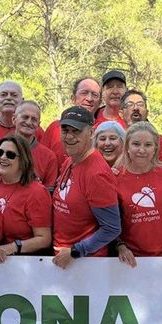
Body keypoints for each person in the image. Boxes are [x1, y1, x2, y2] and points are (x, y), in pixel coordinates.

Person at [52, 106, 121, 268]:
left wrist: (76, 251)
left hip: (85, 263)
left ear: (91, 133)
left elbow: (112, 228)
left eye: (76, 131)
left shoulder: (97, 174)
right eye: (65, 130)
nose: (69, 136)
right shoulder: (71, 159)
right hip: (62, 256)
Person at [115, 122, 162, 266]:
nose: (141, 150)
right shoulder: (114, 178)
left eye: (148, 145)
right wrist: (119, 246)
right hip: (131, 259)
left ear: (155, 149)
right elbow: (109, 222)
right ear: (127, 147)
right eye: (136, 144)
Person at [0, 135, 53, 259]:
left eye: (10, 155)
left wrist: (13, 247)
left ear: (23, 160)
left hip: (24, 263)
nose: (2, 158)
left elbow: (44, 239)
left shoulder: (36, 192)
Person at [42, 76, 101, 161]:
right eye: (84, 93)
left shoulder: (104, 131)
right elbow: (42, 159)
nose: (89, 98)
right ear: (73, 98)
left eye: (95, 95)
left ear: (99, 102)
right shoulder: (55, 127)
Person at [14, 100, 59, 191]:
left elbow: (48, 194)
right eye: (25, 117)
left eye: (34, 119)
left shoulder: (49, 157)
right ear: (14, 119)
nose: (29, 122)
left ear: (38, 125)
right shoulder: (0, 149)